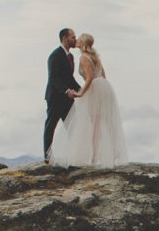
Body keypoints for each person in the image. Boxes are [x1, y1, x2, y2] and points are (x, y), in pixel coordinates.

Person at [50, 33, 128, 168]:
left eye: (78, 39)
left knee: (94, 124)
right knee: (104, 122)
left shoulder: (83, 58)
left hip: (95, 89)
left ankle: (93, 156)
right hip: (104, 87)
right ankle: (111, 152)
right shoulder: (96, 57)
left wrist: (81, 93)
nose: (76, 41)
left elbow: (90, 78)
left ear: (82, 43)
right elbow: (103, 75)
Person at [43, 27, 80, 161]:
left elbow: (69, 78)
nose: (75, 40)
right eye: (73, 37)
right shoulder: (55, 55)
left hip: (68, 100)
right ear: (65, 39)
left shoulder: (70, 56)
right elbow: (54, 78)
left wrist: (81, 89)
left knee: (74, 127)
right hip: (55, 98)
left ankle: (75, 156)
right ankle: (47, 157)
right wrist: (66, 91)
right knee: (51, 126)